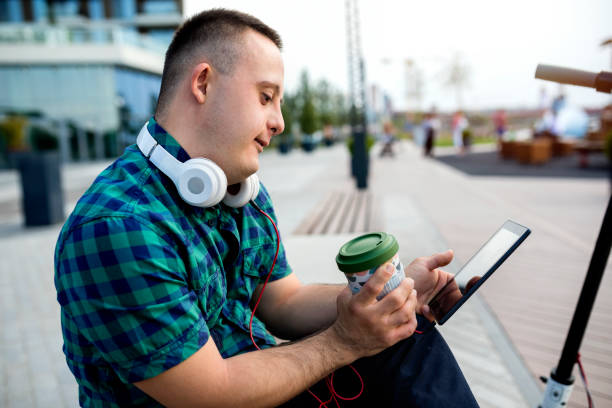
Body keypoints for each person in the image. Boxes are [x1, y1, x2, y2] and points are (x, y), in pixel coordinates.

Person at [54, 9, 478, 407]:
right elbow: (209, 394)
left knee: (404, 334)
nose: (280, 121)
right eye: (265, 97)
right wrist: (344, 342)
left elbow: (284, 301)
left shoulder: (239, 190)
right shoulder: (117, 227)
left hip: (263, 385)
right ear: (203, 83)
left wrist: (387, 297)